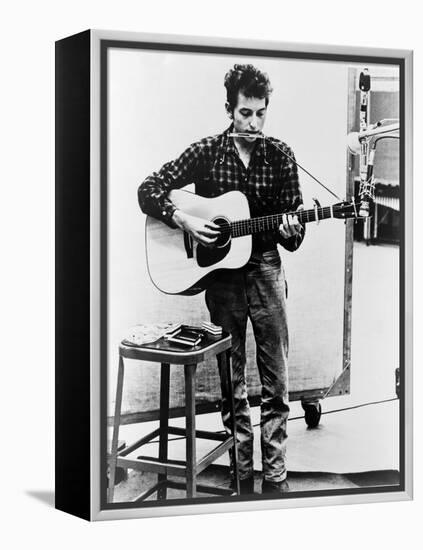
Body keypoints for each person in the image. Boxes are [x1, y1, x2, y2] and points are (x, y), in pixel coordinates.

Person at [138, 64, 305, 495]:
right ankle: (241, 476)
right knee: (232, 384)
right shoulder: (208, 151)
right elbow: (148, 188)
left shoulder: (281, 155)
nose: (253, 124)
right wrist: (184, 222)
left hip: (266, 270)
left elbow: (296, 230)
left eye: (261, 114)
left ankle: (277, 477)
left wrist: (292, 231)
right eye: (245, 113)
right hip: (224, 282)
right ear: (229, 108)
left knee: (276, 383)